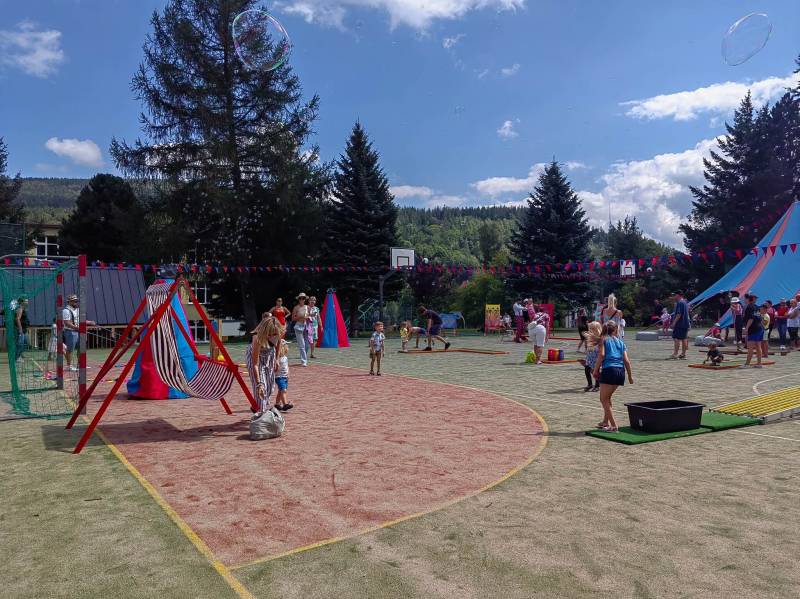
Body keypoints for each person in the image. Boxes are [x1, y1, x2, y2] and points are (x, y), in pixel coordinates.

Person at [593, 321, 633, 432]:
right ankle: (605, 422)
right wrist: (630, 376)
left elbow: (601, 355)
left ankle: (614, 426)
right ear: (615, 330)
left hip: (609, 370)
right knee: (607, 398)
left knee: (603, 399)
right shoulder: (620, 342)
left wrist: (595, 370)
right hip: (620, 372)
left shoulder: (603, 340)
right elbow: (626, 361)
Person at [247, 314, 284, 413]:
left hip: (269, 354)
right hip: (256, 357)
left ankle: (256, 405)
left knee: (270, 387)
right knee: (262, 387)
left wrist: (276, 359)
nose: (272, 336)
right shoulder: (257, 338)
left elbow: (278, 344)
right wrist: (259, 383)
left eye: (274, 334)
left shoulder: (278, 332)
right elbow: (255, 364)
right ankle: (261, 412)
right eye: (269, 334)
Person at [578, 321, 602, 392]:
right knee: (587, 370)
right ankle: (590, 384)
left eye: (592, 329)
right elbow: (584, 334)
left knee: (596, 371)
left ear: (597, 329)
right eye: (590, 329)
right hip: (589, 358)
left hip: (596, 358)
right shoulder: (590, 337)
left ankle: (597, 385)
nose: (590, 330)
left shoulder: (600, 339)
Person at [741, 293, 763, 368]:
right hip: (759, 328)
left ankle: (747, 364)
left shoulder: (750, 307)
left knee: (750, 347)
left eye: (745, 298)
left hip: (753, 329)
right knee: (758, 346)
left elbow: (751, 318)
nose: (756, 300)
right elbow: (759, 318)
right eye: (756, 298)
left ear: (749, 299)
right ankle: (759, 364)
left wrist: (746, 328)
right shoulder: (757, 307)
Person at [669, 290, 690, 359]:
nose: (674, 296)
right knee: (684, 338)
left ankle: (675, 354)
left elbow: (679, 314)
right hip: (685, 323)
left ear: (678, 295)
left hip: (679, 324)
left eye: (675, 295)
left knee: (676, 338)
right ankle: (683, 354)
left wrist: (673, 323)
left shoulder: (679, 303)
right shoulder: (685, 302)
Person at [291, 293, 310, 367]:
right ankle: (304, 361)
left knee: (307, 345)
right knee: (302, 345)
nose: (302, 299)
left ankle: (304, 357)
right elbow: (293, 318)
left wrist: (309, 317)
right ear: (298, 299)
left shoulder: (307, 307)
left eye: (303, 298)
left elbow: (309, 316)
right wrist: (300, 317)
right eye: (300, 298)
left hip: (306, 326)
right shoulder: (296, 308)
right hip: (298, 325)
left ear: (305, 299)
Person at [273, 339, 292, 411]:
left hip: (285, 377)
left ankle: (277, 404)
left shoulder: (285, 357)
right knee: (283, 390)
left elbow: (287, 366)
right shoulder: (276, 358)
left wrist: (288, 373)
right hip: (279, 377)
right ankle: (285, 404)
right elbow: (274, 367)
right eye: (286, 346)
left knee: (280, 391)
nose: (287, 348)